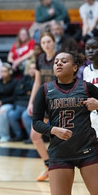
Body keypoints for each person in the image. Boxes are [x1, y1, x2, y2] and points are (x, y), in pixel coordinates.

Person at [33, 51, 98, 195]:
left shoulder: (88, 88)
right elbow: (36, 123)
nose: (58, 64)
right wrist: (52, 130)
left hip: (87, 150)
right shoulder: (45, 90)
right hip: (60, 153)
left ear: (75, 67)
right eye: (56, 61)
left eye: (64, 61)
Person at [27, 32, 57, 181]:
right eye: (44, 42)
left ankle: (60, 168)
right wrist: (31, 102)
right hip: (44, 102)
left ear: (54, 42)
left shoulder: (60, 58)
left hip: (58, 101)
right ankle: (48, 165)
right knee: (34, 135)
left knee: (57, 139)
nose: (46, 45)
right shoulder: (40, 59)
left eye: (49, 42)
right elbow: (37, 82)